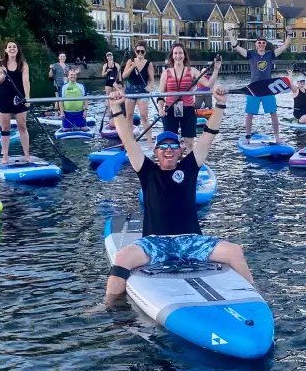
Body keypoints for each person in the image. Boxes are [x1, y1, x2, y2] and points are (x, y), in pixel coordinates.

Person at [103, 85, 255, 305]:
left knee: (235, 252)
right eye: (162, 146)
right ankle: (108, 305)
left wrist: (220, 103)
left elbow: (208, 136)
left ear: (180, 150)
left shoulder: (189, 167)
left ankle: (255, 297)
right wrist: (116, 107)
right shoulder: (147, 171)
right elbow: (127, 139)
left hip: (192, 241)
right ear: (155, 152)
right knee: (123, 257)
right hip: (155, 242)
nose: (168, 150)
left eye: (173, 145)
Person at [227, 27, 293, 145]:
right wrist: (230, 33)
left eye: (263, 43)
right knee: (250, 114)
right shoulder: (251, 54)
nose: (261, 44)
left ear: (265, 44)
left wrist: (289, 33)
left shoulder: (270, 54)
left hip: (268, 88)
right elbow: (236, 47)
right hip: (254, 88)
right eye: (259, 43)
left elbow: (285, 46)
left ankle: (277, 137)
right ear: (256, 44)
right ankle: (247, 137)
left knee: (273, 113)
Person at [157, 44, 221, 152]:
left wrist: (216, 69)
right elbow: (160, 95)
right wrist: (160, 110)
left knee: (189, 142)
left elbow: (208, 84)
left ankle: (189, 164)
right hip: (170, 110)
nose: (178, 56)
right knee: (170, 142)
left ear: (184, 55)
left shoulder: (192, 71)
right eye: (176, 53)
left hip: (188, 109)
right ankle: (172, 164)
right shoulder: (166, 73)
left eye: (180, 53)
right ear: (172, 56)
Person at [0, 41, 32, 164]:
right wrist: (3, 74)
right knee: (5, 128)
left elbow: (26, 82)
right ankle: (5, 156)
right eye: (9, 47)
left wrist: (27, 98)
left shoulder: (23, 64)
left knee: (22, 126)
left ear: (17, 50)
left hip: (19, 98)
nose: (12, 48)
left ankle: (27, 155)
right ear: (5, 50)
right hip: (4, 97)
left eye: (14, 47)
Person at [123, 43, 156, 146]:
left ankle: (150, 142)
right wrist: (132, 66)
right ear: (135, 52)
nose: (140, 53)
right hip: (130, 90)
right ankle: (129, 141)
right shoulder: (130, 61)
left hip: (142, 90)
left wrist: (149, 87)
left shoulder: (149, 64)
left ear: (145, 52)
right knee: (129, 116)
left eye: (142, 51)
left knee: (144, 116)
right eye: (138, 51)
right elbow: (124, 76)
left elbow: (152, 80)